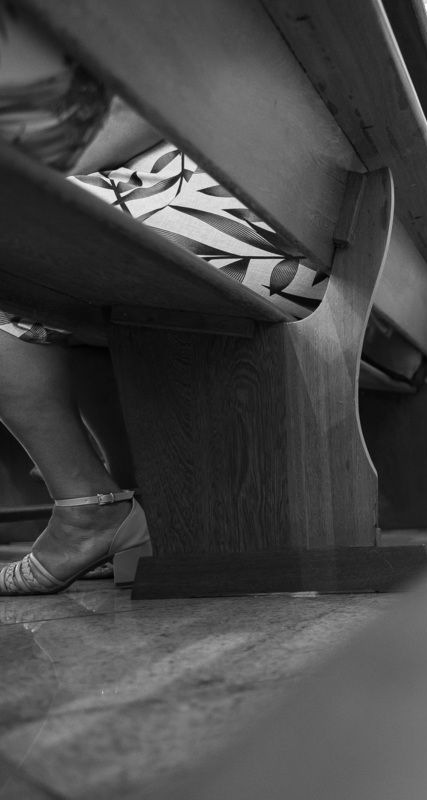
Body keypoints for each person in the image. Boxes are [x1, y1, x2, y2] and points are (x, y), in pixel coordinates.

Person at [0, 5, 327, 594]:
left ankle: (87, 506)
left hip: (239, 220)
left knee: (20, 245)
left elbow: (143, 102)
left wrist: (38, 174)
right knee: (41, 269)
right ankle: (132, 509)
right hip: (273, 205)